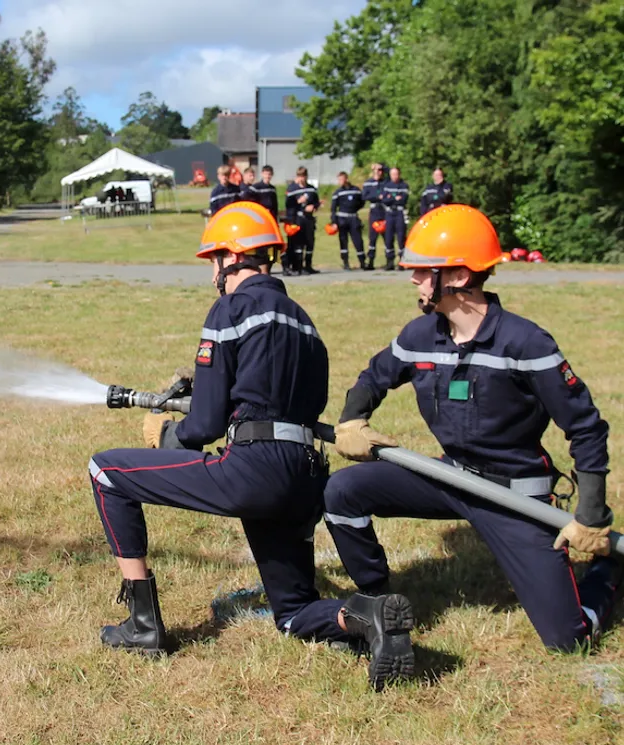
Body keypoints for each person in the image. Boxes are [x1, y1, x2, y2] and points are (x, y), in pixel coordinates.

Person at [87, 201, 416, 690]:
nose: (212, 273)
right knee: (293, 611)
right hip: (306, 476)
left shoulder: (231, 308)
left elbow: (203, 425)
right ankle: (367, 617)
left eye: (213, 260)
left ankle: (142, 624)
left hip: (255, 470)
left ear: (230, 259)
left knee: (105, 472)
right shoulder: (305, 322)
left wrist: (167, 435)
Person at [324, 205, 622, 652]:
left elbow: (585, 427)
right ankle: (378, 596)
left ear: (459, 276)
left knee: (568, 640)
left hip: (515, 495)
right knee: (342, 492)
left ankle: (609, 573)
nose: (413, 280)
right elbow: (374, 376)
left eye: (424, 271)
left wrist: (592, 514)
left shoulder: (526, 343)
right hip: (451, 477)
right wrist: (352, 419)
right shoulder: (421, 335)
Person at [286, 167, 322, 275]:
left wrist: (314, 207)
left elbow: (316, 201)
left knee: (310, 243)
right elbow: (289, 205)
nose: (302, 179)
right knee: (298, 244)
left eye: (303, 176)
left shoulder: (311, 189)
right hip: (298, 218)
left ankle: (308, 265)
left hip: (309, 219)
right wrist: (298, 203)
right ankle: (298, 266)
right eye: (300, 176)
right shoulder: (293, 189)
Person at [330, 171, 366, 270]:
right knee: (343, 241)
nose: (340, 181)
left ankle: (362, 262)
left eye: (342, 179)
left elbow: (362, 202)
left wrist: (354, 209)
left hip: (353, 218)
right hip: (342, 219)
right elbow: (333, 209)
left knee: (358, 240)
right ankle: (345, 262)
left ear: (346, 179)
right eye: (339, 180)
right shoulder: (337, 193)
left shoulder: (356, 190)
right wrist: (334, 222)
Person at [380, 167, 410, 270]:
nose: (395, 176)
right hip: (389, 214)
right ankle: (389, 261)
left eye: (396, 174)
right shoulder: (387, 186)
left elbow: (403, 200)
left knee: (401, 238)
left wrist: (390, 199)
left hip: (400, 213)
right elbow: (384, 200)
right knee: (388, 238)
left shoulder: (404, 186)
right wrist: (394, 198)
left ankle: (402, 261)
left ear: (399, 174)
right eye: (393, 174)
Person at [361, 163, 386, 270]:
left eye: (381, 170)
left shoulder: (386, 182)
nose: (379, 172)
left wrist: (381, 165)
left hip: (384, 211)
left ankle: (389, 261)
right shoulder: (368, 183)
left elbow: (392, 171)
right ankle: (370, 261)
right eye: (377, 170)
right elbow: (365, 196)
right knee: (373, 238)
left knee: (387, 237)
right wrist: (377, 197)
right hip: (374, 212)